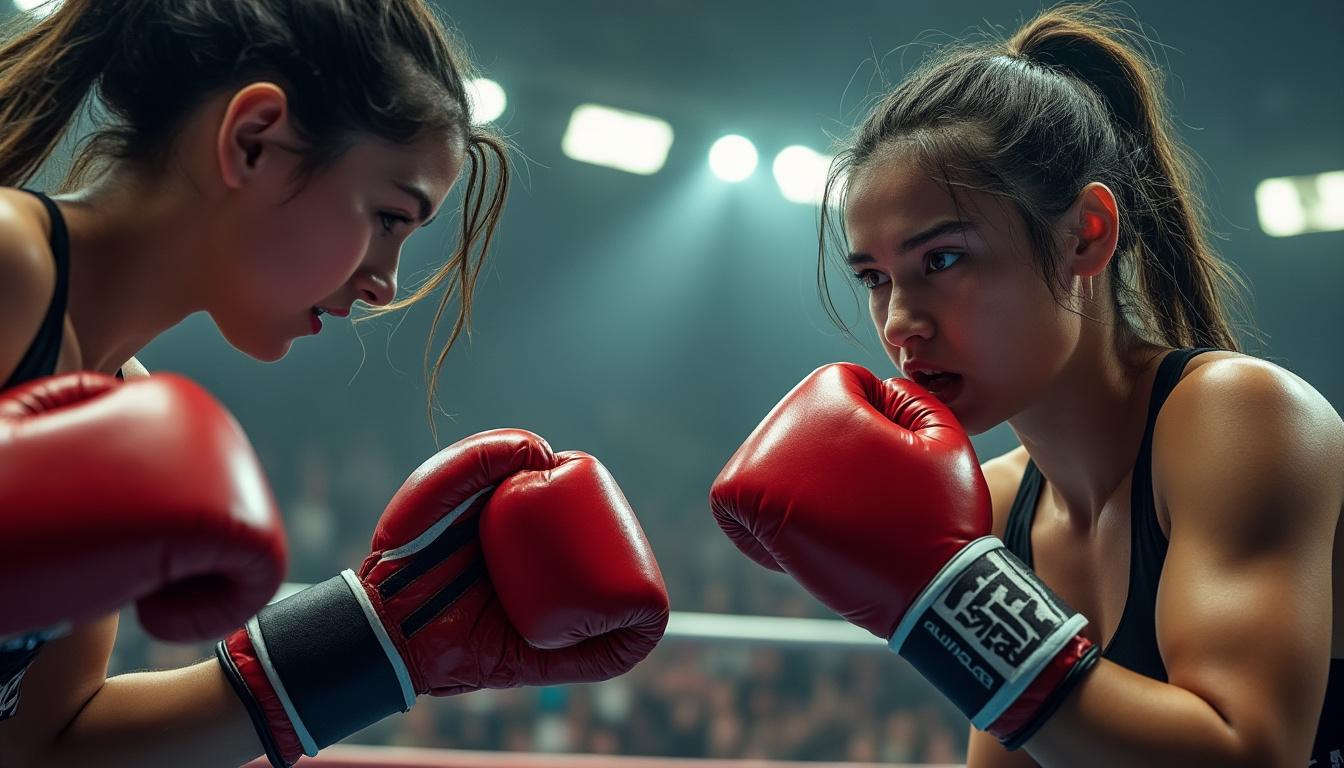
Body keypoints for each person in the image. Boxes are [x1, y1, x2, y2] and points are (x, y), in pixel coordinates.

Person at [0, 2, 670, 766]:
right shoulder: (8, 268)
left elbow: (46, 745)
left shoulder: (114, 404)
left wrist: (380, 641)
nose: (385, 284)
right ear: (253, 142)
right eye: (388, 215)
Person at [711, 4, 1344, 766]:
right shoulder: (999, 502)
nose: (899, 322)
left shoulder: (1239, 415)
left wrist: (938, 597)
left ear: (1087, 234)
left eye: (942, 259)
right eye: (876, 278)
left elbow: (1247, 752)